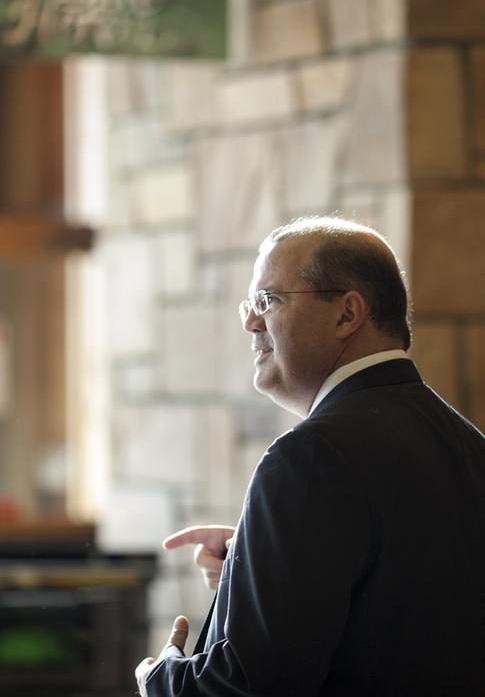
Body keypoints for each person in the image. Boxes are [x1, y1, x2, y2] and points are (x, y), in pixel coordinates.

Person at [136, 216, 485, 696]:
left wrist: (160, 677)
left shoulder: (310, 457)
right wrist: (254, 558)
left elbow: (251, 688)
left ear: (347, 314)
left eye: (268, 300)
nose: (250, 321)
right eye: (249, 304)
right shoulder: (468, 444)